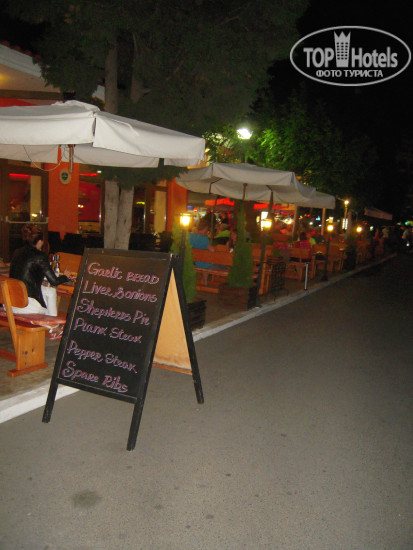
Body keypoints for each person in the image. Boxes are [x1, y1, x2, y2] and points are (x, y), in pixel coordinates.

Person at [9, 224, 70, 316]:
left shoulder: (17, 252)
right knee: (51, 292)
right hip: (26, 305)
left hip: (12, 302)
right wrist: (65, 276)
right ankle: (52, 322)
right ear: (40, 241)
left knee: (50, 291)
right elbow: (54, 282)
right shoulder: (40, 256)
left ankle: (52, 321)